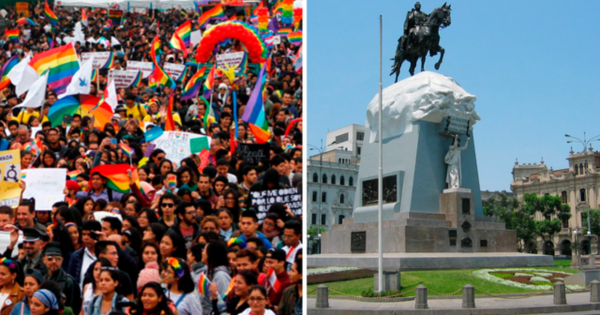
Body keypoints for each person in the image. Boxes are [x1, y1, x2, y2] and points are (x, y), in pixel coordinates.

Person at [42, 243, 81, 314]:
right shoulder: (43, 280)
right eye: (50, 259)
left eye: (57, 259)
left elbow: (71, 308)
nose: (54, 261)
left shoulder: (69, 282)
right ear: (44, 260)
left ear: (62, 260)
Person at [200, 241, 231, 315]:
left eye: (204, 250)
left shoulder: (221, 276)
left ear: (210, 254)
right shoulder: (207, 273)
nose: (202, 252)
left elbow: (224, 303)